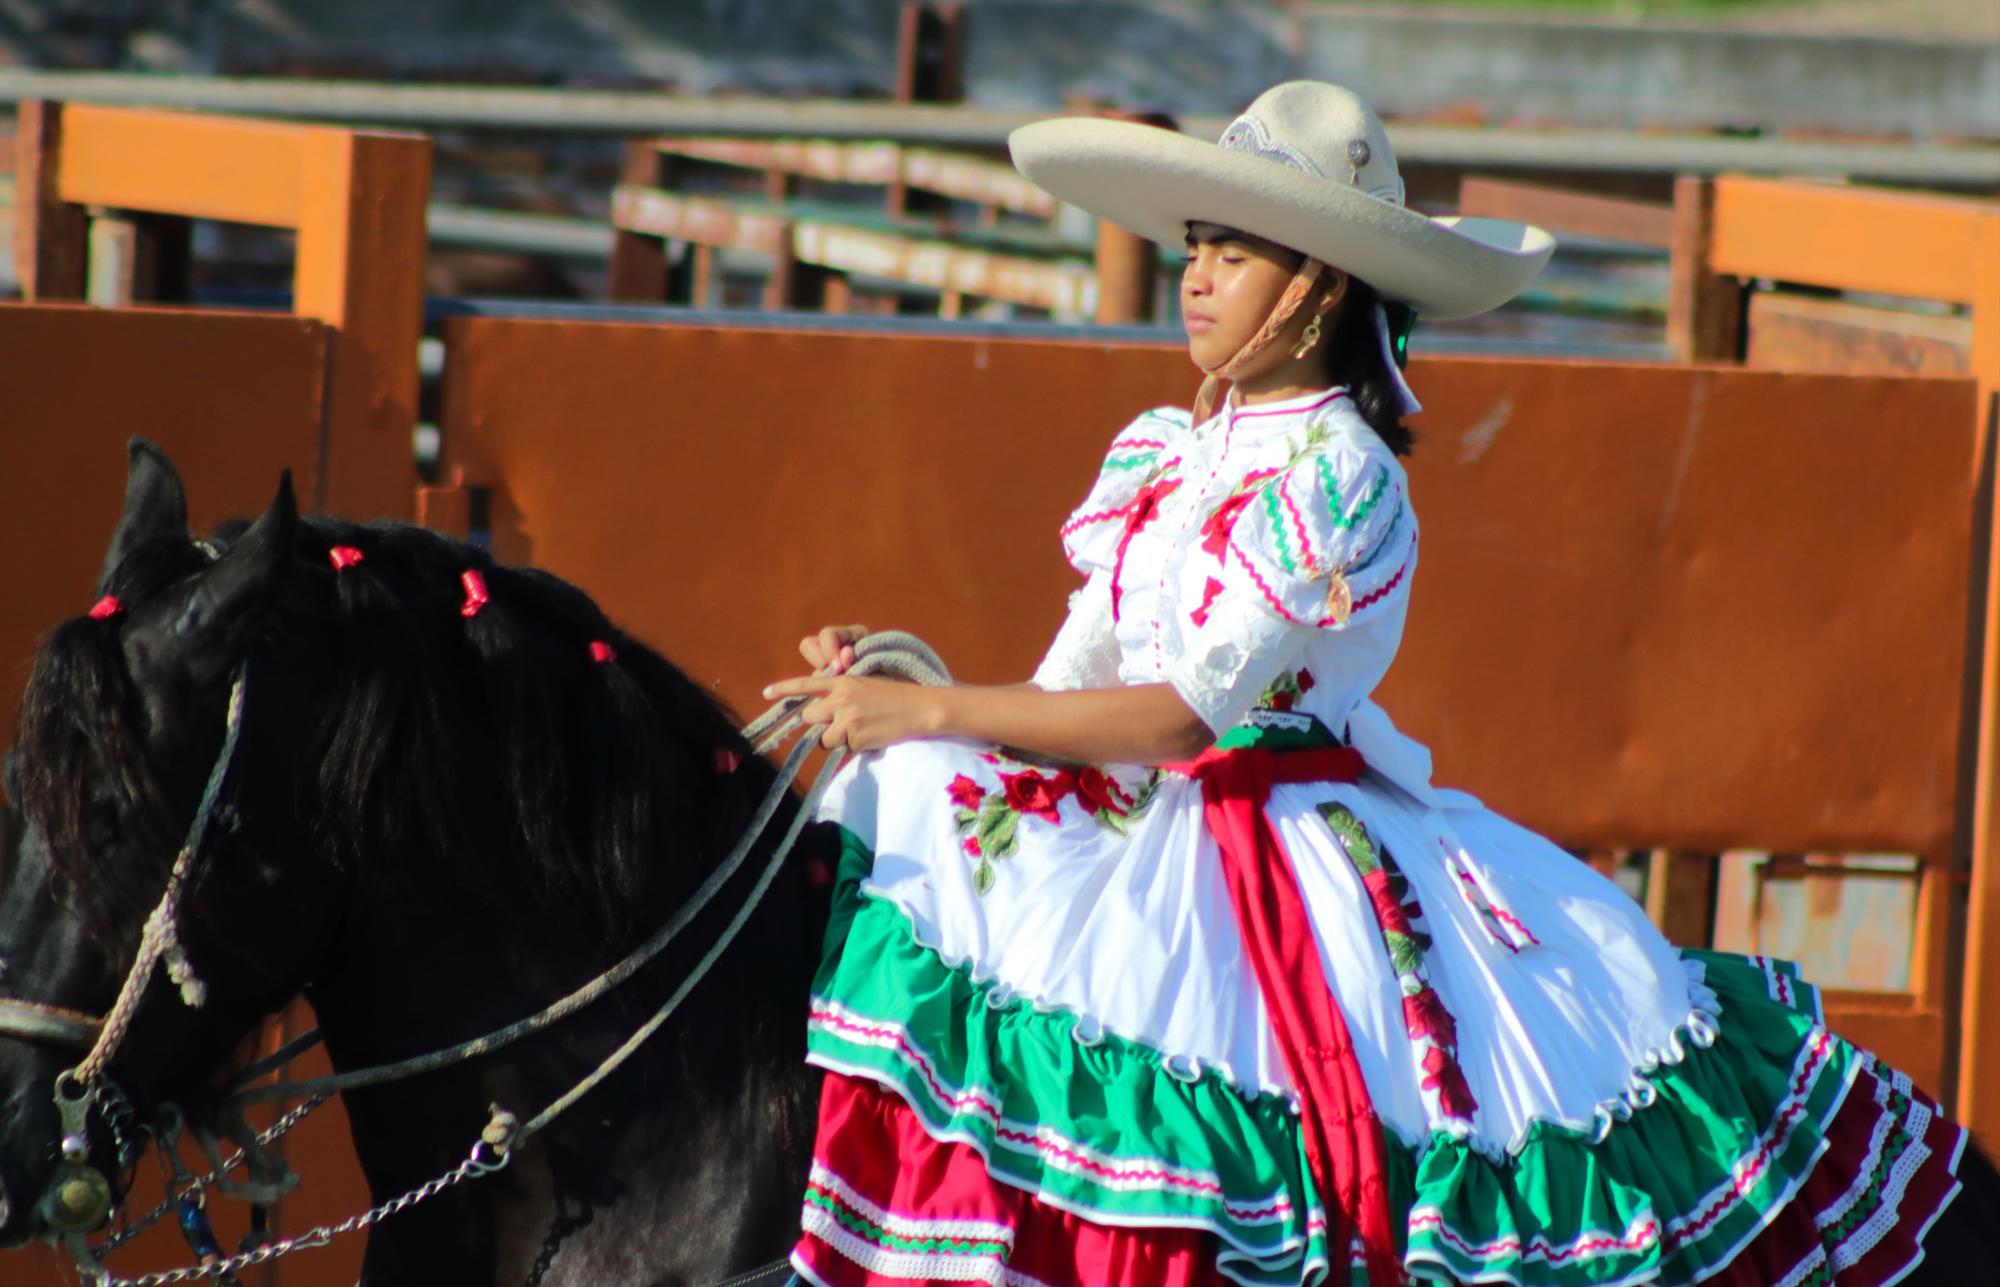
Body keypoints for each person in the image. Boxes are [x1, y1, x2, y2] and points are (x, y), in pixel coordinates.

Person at [761, 81, 1968, 1287]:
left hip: (1275, 839)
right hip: (1146, 816)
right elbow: (1073, 681)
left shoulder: (1339, 474)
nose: (1193, 277)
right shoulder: (1162, 452)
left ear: (1317, 287)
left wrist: (930, 711)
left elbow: (1185, 714)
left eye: (1231, 255)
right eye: (1194, 249)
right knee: (906, 798)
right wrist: (907, 688)